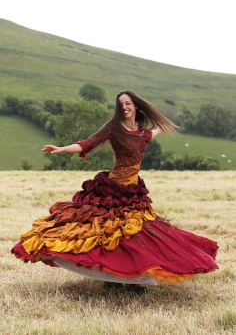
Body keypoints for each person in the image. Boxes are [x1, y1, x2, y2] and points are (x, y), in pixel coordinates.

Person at [12, 90, 219, 294]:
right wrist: (61, 148)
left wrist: (163, 126)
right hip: (113, 189)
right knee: (108, 232)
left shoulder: (142, 131)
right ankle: (114, 278)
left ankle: (126, 279)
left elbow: (151, 133)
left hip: (134, 190)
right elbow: (88, 143)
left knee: (133, 234)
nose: (124, 107)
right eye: (121, 104)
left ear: (136, 105)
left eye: (128, 103)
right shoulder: (113, 127)